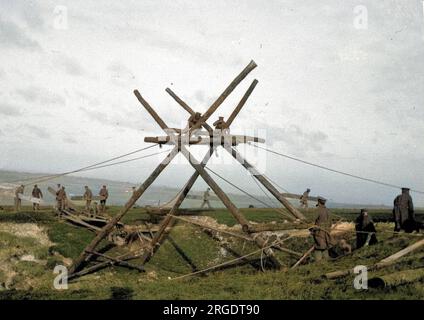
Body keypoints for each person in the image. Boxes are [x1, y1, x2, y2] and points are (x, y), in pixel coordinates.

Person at [310, 196, 333, 261]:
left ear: (318, 202)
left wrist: (312, 229)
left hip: (319, 231)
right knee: (325, 245)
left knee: (318, 246)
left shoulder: (318, 210)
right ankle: (326, 259)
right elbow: (331, 223)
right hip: (327, 231)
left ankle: (318, 261)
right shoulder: (328, 210)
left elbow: (312, 220)